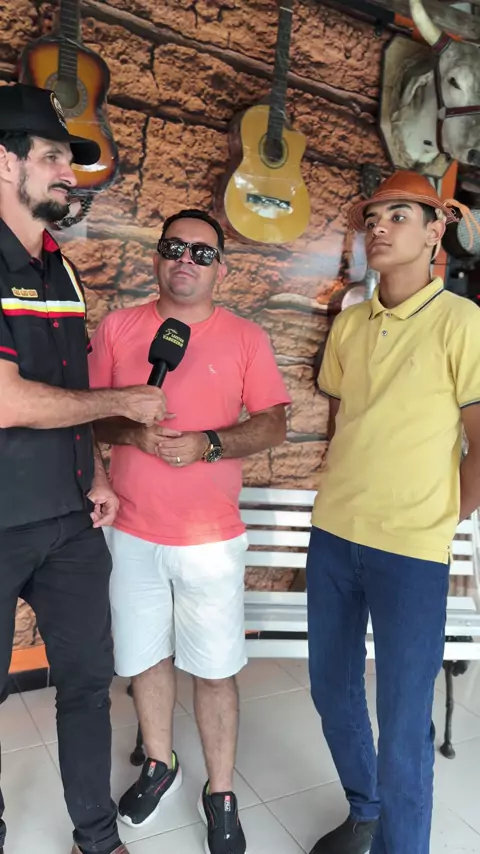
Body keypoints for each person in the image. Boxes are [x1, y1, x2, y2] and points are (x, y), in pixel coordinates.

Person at [88, 208, 291, 854]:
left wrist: (208, 443)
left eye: (202, 253)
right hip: (132, 532)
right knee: (145, 657)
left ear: (220, 270)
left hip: (211, 541)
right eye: (174, 247)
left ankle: (221, 791)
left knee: (214, 668)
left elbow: (274, 423)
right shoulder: (118, 328)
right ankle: (160, 763)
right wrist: (134, 431)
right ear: (157, 258)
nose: (186, 260)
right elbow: (88, 417)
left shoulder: (246, 338)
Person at [0, 83, 168, 854]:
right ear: (6, 162)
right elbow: (7, 400)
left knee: (87, 687)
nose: (70, 172)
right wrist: (126, 401)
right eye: (54, 157)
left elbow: (67, 387)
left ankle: (96, 840)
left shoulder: (59, 266)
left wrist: (97, 467)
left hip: (70, 517)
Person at [306, 170, 480, 854]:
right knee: (331, 689)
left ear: (436, 232)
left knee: (404, 723)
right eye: (372, 217)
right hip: (333, 534)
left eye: (399, 215)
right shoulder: (351, 324)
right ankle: (366, 810)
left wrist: (444, 515)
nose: (378, 227)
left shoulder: (463, 323)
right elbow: (345, 418)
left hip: (410, 550)